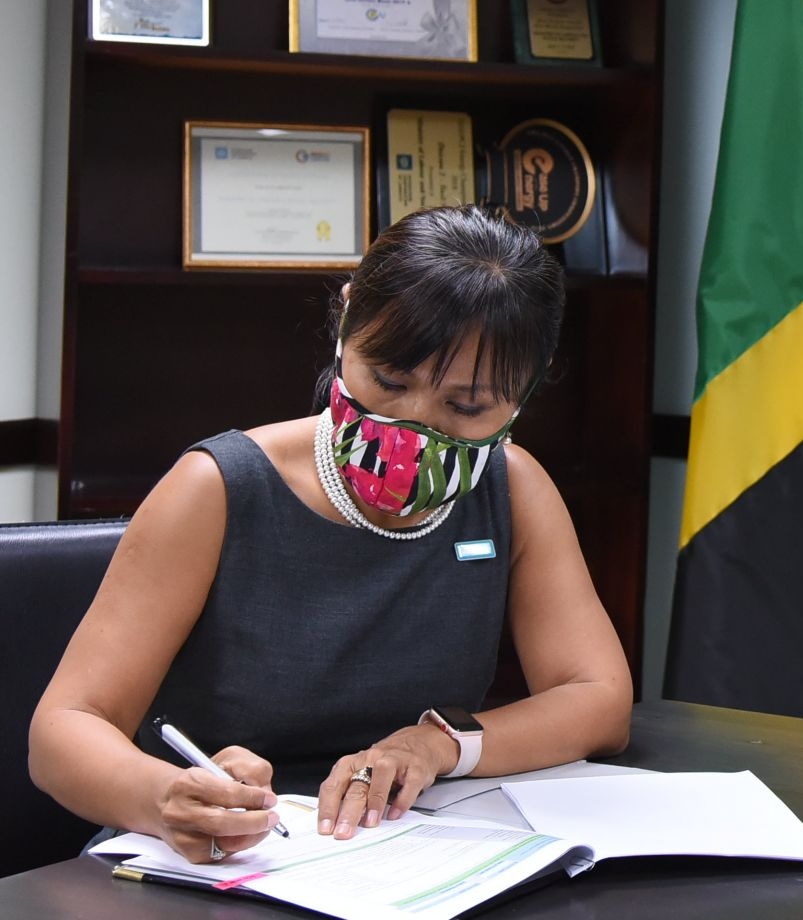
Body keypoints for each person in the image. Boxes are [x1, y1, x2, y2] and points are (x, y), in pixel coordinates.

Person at [30, 205, 632, 864]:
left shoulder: (511, 489)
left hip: (402, 855)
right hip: (215, 861)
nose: (410, 426)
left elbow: (599, 700)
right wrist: (165, 796)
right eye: (390, 380)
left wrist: (438, 745)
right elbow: (63, 731)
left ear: (522, 397)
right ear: (347, 323)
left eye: (466, 406)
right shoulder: (217, 490)